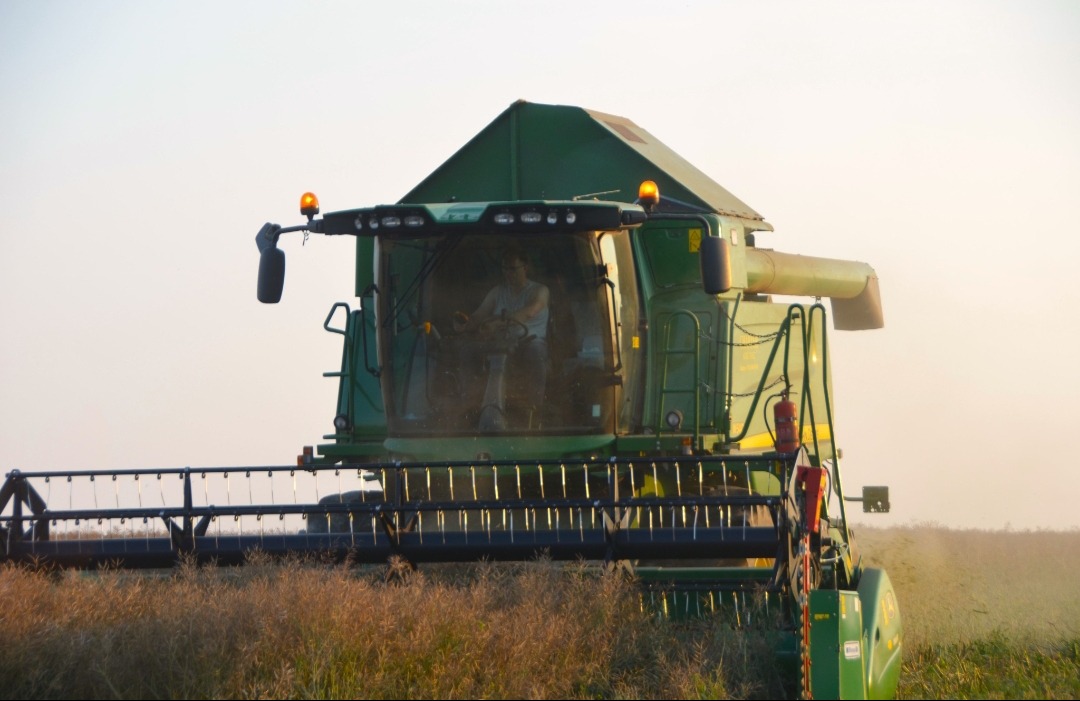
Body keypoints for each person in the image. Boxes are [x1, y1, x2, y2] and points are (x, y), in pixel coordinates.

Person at [452, 248, 550, 427]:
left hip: (527, 343)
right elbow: (480, 314)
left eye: (512, 268)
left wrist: (498, 323)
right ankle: (468, 405)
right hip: (498, 344)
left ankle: (536, 409)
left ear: (525, 268)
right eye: (505, 269)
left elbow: (531, 310)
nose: (508, 273)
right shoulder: (497, 292)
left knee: (537, 351)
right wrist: (465, 325)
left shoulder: (540, 290)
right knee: (468, 349)